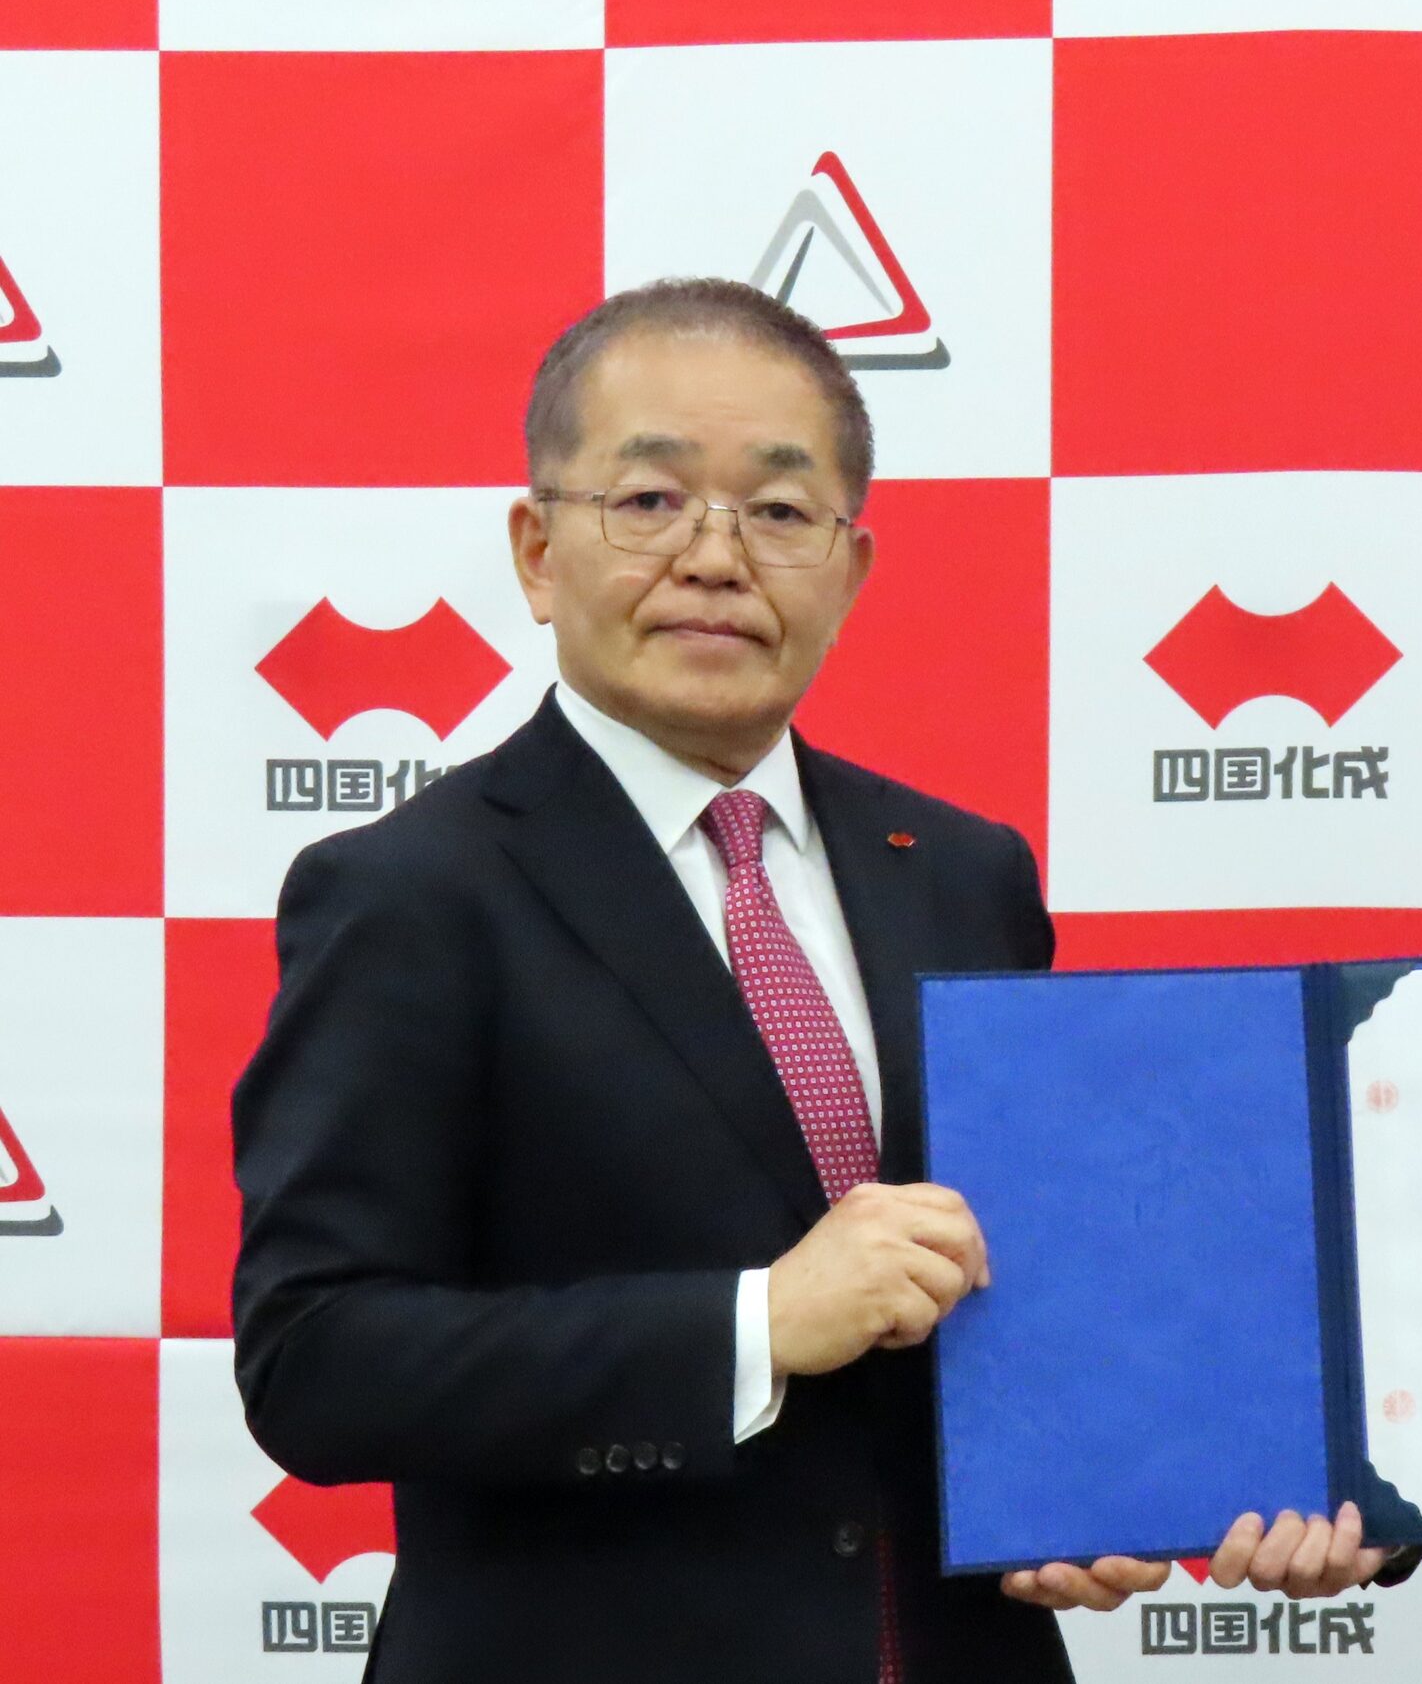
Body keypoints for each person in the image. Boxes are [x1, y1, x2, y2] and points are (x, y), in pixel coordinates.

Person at [231, 279, 1165, 1682]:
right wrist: (754, 1327)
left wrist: (1089, 1485)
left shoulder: (964, 872)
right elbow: (316, 1359)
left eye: (780, 510)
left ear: (850, 568)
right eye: (651, 501)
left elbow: (1025, 1283)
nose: (716, 557)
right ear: (538, 551)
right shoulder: (409, 893)